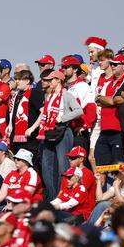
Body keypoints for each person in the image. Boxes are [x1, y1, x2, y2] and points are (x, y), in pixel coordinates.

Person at [38, 69, 83, 201]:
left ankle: (63, 196)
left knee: (63, 166)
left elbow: (78, 111)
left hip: (62, 130)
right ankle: (52, 197)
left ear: (58, 80)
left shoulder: (66, 95)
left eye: (51, 79)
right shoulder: (49, 95)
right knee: (47, 167)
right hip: (48, 131)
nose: (48, 82)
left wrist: (62, 118)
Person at [95, 53, 124, 166]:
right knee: (100, 164)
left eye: (116, 64)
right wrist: (108, 101)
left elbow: (113, 101)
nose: (113, 66)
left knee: (118, 165)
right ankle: (103, 184)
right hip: (104, 128)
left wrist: (107, 100)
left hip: (119, 128)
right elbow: (98, 100)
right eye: (112, 64)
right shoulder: (108, 83)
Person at [6, 69, 42, 156]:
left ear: (27, 81)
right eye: (16, 79)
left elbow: (43, 112)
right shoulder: (16, 95)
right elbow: (11, 112)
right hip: (14, 136)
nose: (17, 81)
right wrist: (9, 124)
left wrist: (32, 128)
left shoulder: (35, 93)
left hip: (29, 138)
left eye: (20, 79)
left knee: (28, 164)